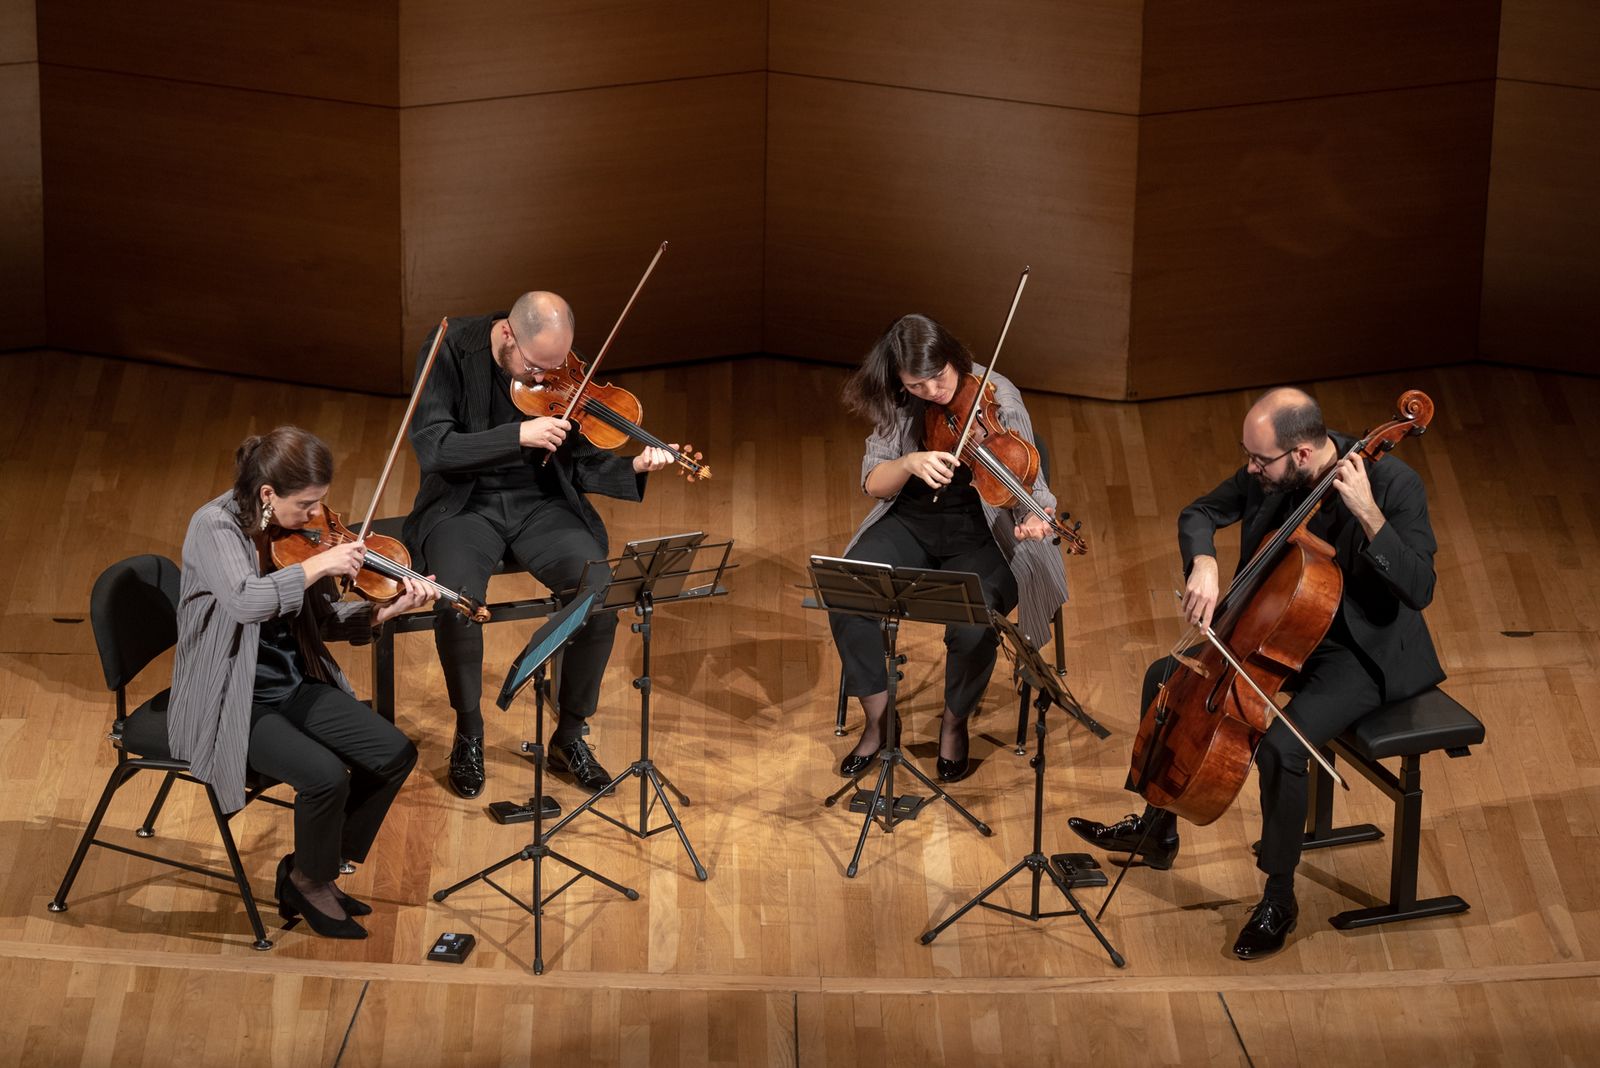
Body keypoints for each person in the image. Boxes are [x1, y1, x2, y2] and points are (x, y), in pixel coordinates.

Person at [1066, 387, 1443, 960]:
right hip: (1278, 629)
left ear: (1299, 452)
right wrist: (1205, 563)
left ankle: (1280, 896)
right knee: (1163, 679)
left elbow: (1419, 587)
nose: (1248, 468)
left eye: (1258, 459)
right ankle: (1157, 829)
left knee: (1282, 749)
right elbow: (1199, 512)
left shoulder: (1393, 486)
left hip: (1358, 654)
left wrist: (1368, 513)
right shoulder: (1277, 473)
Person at [403, 292, 677, 799]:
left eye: (556, 366)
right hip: (465, 507)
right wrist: (518, 435)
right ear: (508, 333)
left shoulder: (557, 369)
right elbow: (433, 446)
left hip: (541, 505)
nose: (543, 380)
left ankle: (569, 737)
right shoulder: (448, 346)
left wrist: (633, 467)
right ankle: (469, 732)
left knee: (601, 596)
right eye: (535, 367)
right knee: (457, 602)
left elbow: (578, 461)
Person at [168, 426, 432, 939]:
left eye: (321, 504)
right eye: (307, 505)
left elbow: (325, 619)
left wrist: (381, 613)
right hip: (232, 697)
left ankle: (309, 868)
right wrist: (320, 565)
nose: (316, 518)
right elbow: (247, 602)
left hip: (291, 681)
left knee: (393, 752)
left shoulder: (297, 540)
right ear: (268, 494)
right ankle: (311, 881)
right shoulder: (215, 528)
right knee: (325, 776)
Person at [829, 313, 1069, 782]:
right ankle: (880, 722)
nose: (934, 393)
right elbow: (873, 482)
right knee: (849, 589)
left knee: (972, 622)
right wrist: (910, 461)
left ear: (952, 358)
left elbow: (1032, 487)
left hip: (985, 533)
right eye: (918, 386)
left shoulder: (998, 394)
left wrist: (1036, 520)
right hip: (913, 522)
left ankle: (955, 724)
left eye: (938, 378)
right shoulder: (899, 399)